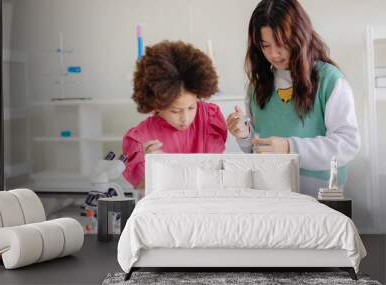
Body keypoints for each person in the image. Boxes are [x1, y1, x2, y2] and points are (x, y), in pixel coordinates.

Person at [226, 0, 360, 196]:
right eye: (265, 46)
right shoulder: (257, 86)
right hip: (272, 191)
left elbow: (347, 144)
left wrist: (290, 147)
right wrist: (244, 134)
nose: (274, 54)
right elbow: (257, 149)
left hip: (322, 193)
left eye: (281, 44)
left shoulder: (330, 80)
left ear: (299, 37)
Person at [122, 41, 227, 190]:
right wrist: (153, 167)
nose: (185, 118)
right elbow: (141, 191)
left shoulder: (209, 119)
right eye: (175, 111)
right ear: (157, 104)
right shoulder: (141, 138)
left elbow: (216, 174)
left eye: (191, 107)